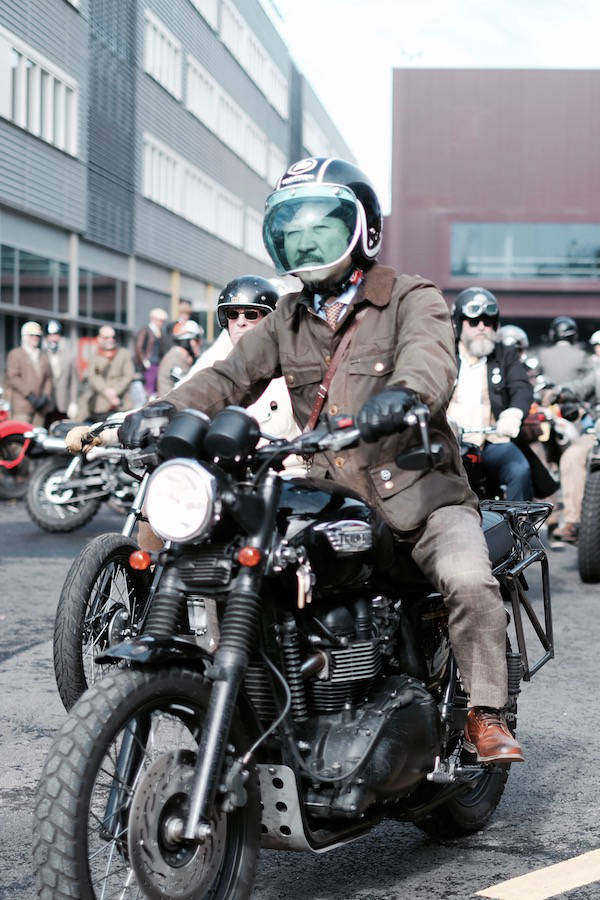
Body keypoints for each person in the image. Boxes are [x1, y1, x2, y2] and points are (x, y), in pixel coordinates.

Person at [76, 157, 524, 764]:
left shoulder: (410, 298)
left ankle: (484, 712)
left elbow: (430, 362)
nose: (306, 242)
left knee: (469, 580)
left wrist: (404, 399)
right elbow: (227, 377)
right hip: (323, 489)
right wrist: (157, 412)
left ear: (362, 230)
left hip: (420, 492)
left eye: (322, 228)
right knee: (239, 566)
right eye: (293, 230)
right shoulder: (285, 317)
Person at [180, 275, 300, 447]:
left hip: (285, 469)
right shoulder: (215, 366)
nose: (240, 322)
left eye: (251, 315)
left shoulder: (290, 370)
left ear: (270, 321)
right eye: (232, 314)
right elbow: (190, 395)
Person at [448, 288, 534, 501]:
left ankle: (519, 529)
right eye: (474, 322)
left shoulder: (506, 353)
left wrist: (513, 413)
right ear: (458, 323)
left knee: (519, 469)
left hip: (491, 442)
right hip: (446, 443)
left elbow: (522, 387)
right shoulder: (443, 352)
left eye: (488, 322)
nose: (482, 328)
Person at [551, 330, 600, 543]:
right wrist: (562, 392)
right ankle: (573, 521)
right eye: (598, 346)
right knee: (571, 456)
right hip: (597, 433)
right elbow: (579, 387)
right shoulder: (597, 372)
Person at [81, 326, 135, 418]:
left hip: (122, 403)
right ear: (99, 338)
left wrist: (115, 391)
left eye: (113, 337)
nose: (111, 340)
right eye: (106, 337)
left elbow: (129, 375)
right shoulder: (94, 356)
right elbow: (93, 377)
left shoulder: (124, 353)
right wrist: (106, 392)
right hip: (101, 404)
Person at [5, 321, 52, 426]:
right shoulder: (15, 354)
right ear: (24, 336)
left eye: (37, 336)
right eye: (32, 335)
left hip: (40, 408)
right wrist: (30, 395)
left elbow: (48, 378)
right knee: (19, 437)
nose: (35, 338)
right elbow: (13, 377)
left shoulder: (43, 355)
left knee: (38, 439)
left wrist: (45, 396)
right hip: (22, 406)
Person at [156, 319, 203, 396]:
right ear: (186, 341)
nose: (200, 343)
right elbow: (189, 388)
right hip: (173, 405)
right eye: (196, 339)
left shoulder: (180, 356)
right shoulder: (175, 359)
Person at [538, 316, 589, 386]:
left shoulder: (543, 354)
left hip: (548, 396)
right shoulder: (582, 355)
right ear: (574, 335)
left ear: (553, 334)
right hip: (573, 396)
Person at [44, 320, 79, 421]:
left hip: (63, 402)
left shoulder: (69, 355)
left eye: (56, 334)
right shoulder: (42, 354)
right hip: (46, 403)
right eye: (50, 335)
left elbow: (73, 381)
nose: (53, 338)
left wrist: (73, 402)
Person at [134, 308, 169, 395]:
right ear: (154, 319)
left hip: (158, 363)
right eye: (160, 321)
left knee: (157, 386)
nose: (162, 323)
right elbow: (139, 347)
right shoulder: (145, 330)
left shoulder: (160, 332)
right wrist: (144, 361)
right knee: (149, 387)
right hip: (149, 364)